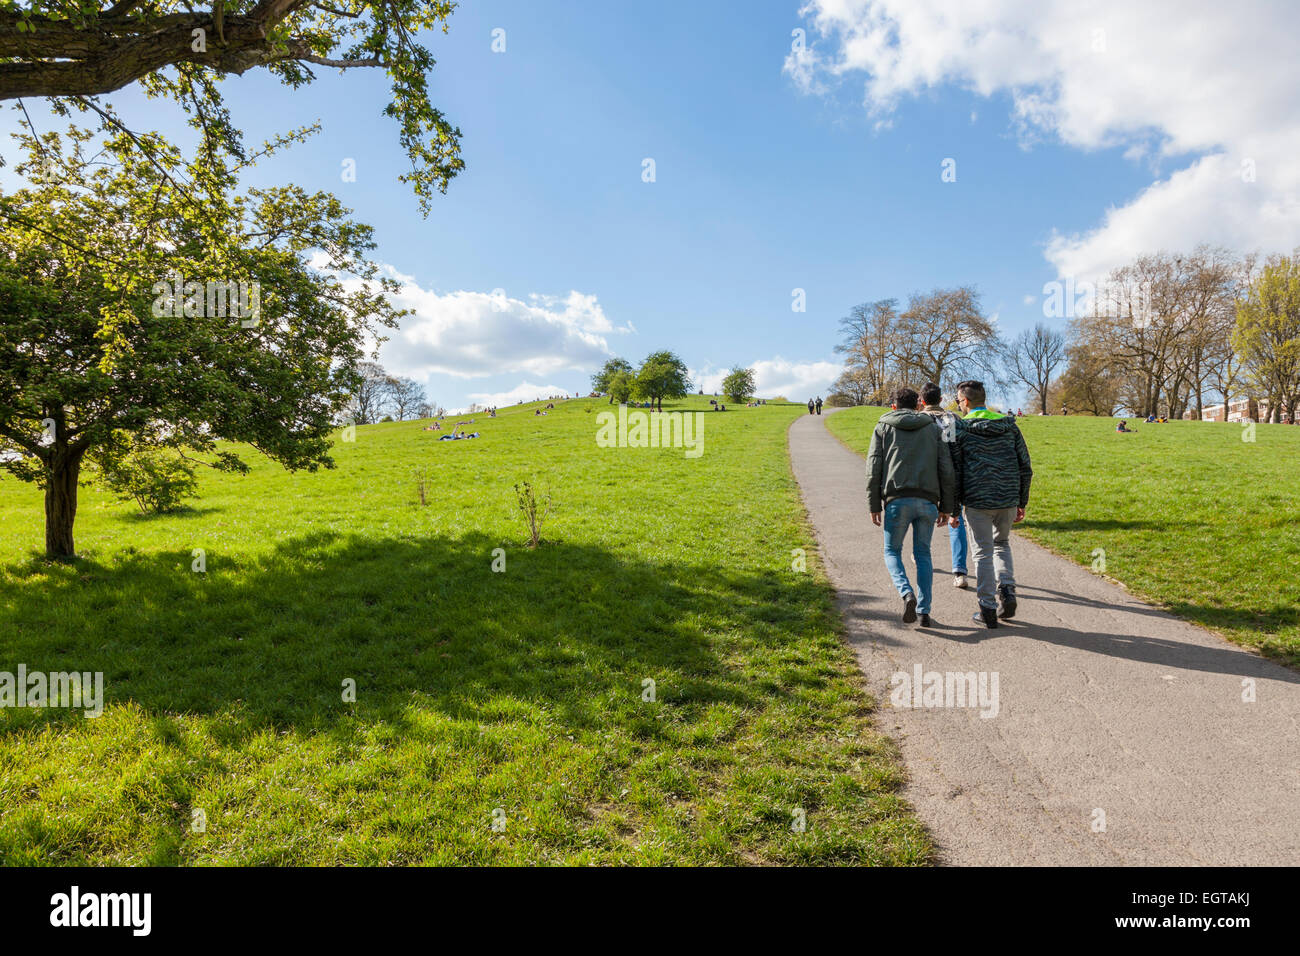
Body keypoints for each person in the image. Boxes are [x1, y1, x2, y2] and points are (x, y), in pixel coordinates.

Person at [867, 386, 955, 628]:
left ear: (893, 406)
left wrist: (874, 504)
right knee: (923, 554)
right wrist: (947, 506)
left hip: (896, 500)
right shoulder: (932, 427)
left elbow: (873, 468)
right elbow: (946, 467)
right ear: (918, 404)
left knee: (892, 552)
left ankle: (907, 594)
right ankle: (924, 611)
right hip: (928, 500)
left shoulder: (883, 426)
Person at [950, 380, 1032, 629]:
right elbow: (1025, 466)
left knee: (983, 552)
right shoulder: (1009, 427)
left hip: (977, 499)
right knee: (1002, 544)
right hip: (1007, 496)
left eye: (957, 400)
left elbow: (954, 471)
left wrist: (953, 508)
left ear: (964, 401)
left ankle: (986, 608)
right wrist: (1021, 500)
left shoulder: (961, 429)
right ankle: (1007, 590)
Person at [919, 382, 969, 589]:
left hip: (927, 476)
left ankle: (920, 554)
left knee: (923, 518)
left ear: (922, 401)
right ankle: (959, 571)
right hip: (954, 475)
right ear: (940, 399)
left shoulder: (919, 420)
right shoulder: (954, 418)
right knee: (955, 519)